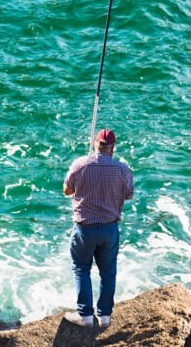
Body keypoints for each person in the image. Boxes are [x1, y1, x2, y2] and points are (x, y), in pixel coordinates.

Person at [63, 128, 134, 327]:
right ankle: (104, 317)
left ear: (96, 143)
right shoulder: (122, 169)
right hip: (110, 228)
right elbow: (129, 195)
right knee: (108, 272)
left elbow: (67, 190)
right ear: (112, 148)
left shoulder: (79, 164)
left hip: (85, 228)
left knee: (81, 269)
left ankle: (85, 316)